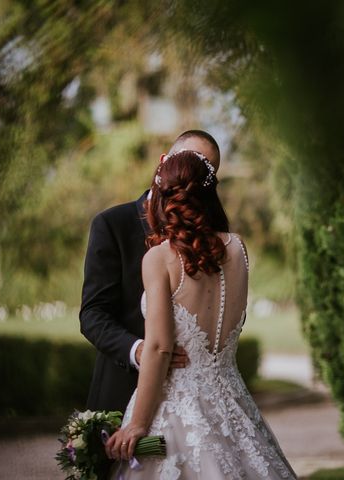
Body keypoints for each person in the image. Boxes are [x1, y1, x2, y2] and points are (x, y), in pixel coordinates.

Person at [105, 149, 296, 479]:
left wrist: (137, 425)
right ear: (209, 195)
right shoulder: (237, 248)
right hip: (232, 400)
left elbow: (160, 347)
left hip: (176, 408)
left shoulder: (159, 258)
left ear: (162, 197)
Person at [80, 130, 221, 413]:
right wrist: (141, 351)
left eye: (204, 170)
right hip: (123, 390)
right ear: (163, 162)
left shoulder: (215, 238)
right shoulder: (112, 224)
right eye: (187, 161)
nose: (191, 177)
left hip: (194, 402)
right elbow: (93, 314)